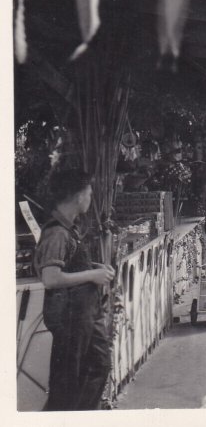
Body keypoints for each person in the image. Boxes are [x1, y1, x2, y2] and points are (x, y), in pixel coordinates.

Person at [34, 168, 116, 410]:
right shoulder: (56, 233)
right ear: (79, 195)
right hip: (70, 317)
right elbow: (51, 278)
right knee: (67, 382)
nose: (91, 196)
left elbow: (68, 267)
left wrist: (92, 267)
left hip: (84, 315)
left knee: (98, 367)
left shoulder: (68, 228)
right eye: (89, 191)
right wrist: (93, 274)